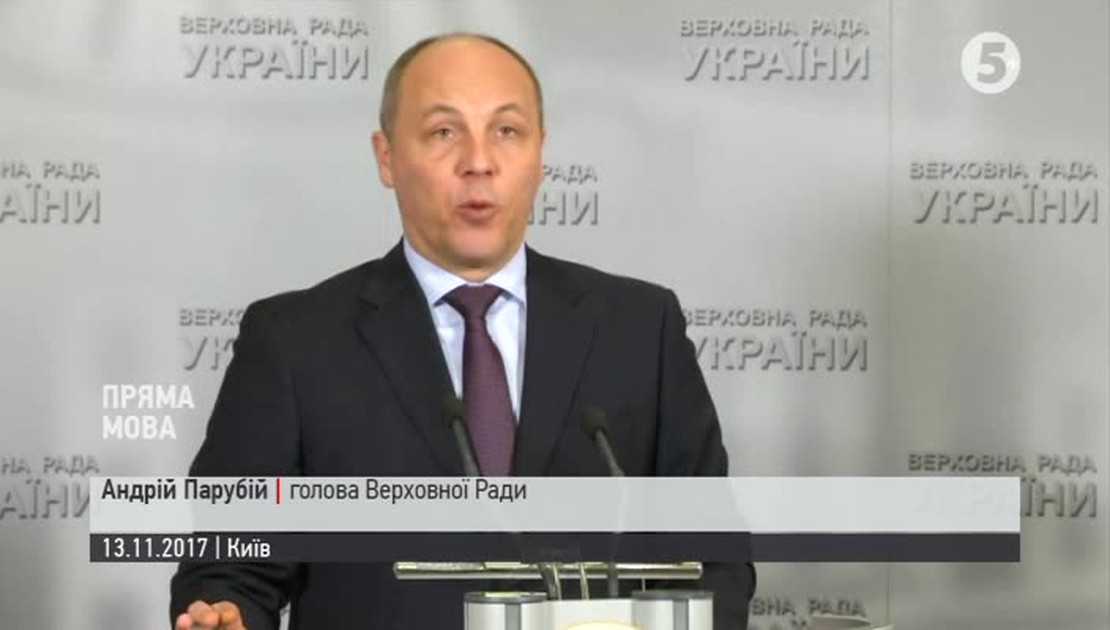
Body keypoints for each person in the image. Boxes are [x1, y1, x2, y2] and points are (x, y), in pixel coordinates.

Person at [170, 32, 755, 629]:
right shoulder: (293, 343)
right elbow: (229, 566)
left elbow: (711, 563)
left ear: (540, 153)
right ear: (386, 157)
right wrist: (227, 614)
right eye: (444, 132)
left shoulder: (641, 330)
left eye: (507, 130)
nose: (479, 161)